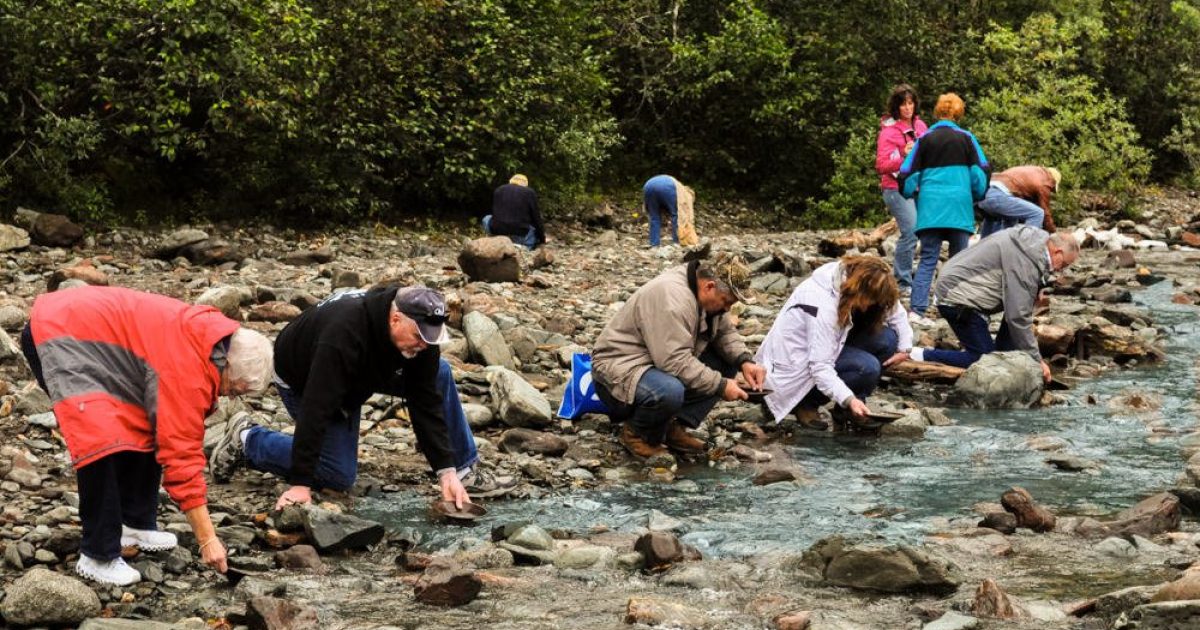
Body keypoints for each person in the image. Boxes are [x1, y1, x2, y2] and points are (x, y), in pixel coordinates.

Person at [20, 286, 275, 585]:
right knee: (100, 438)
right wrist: (207, 540)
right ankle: (97, 555)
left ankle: (134, 522)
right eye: (234, 388)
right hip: (60, 334)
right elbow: (180, 455)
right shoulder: (187, 370)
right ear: (228, 364)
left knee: (144, 422)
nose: (228, 395)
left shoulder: (213, 337)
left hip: (94, 334)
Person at [208, 286, 514, 512]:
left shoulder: (422, 333)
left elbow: (425, 401)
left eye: (429, 339)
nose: (424, 344)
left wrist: (445, 471)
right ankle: (248, 439)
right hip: (304, 377)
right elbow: (316, 407)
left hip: (365, 369)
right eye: (418, 337)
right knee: (337, 474)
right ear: (395, 319)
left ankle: (463, 471)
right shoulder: (343, 335)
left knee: (438, 373)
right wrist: (300, 484)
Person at [591, 253, 766, 459]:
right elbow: (674, 362)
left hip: (655, 363)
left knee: (728, 362)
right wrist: (721, 385)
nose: (728, 309)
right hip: (618, 371)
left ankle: (671, 427)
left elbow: (725, 333)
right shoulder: (672, 299)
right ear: (709, 286)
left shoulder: (705, 292)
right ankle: (637, 434)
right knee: (669, 391)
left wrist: (745, 361)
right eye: (726, 302)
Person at [756, 257, 913, 429]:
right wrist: (849, 399)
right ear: (858, 290)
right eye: (870, 300)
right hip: (794, 368)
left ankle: (849, 409)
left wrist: (905, 348)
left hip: (827, 347)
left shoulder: (850, 278)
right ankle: (806, 403)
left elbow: (894, 310)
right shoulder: (822, 304)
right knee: (868, 367)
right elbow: (820, 366)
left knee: (888, 339)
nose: (869, 306)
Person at [907, 227, 1079, 379]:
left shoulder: (1034, 242)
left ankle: (1005, 356)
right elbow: (1018, 317)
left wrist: (1036, 288)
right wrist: (1037, 360)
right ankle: (918, 354)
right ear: (1057, 252)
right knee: (984, 360)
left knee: (1021, 308)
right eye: (1064, 264)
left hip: (959, 288)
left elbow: (1022, 297)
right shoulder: (1026, 260)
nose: (1061, 270)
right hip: (956, 298)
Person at [898, 93, 991, 326]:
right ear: (958, 114)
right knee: (959, 261)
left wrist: (910, 192)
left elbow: (907, 173)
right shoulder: (967, 138)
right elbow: (980, 172)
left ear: (938, 112)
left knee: (928, 259)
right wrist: (977, 195)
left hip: (930, 209)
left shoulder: (924, 139)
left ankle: (917, 311)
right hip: (959, 207)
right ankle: (955, 308)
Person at [875, 84, 929, 296]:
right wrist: (903, 155)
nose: (907, 108)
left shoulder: (921, 126)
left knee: (926, 231)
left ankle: (919, 276)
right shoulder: (888, 132)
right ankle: (902, 281)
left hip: (919, 185)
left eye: (910, 103)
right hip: (895, 187)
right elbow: (881, 165)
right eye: (903, 104)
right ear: (896, 107)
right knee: (911, 230)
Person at [977, 165, 1061, 238]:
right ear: (1053, 181)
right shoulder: (1045, 182)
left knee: (1009, 219)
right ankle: (1023, 246)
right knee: (1037, 213)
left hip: (983, 195)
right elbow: (1045, 212)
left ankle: (983, 249)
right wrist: (1053, 232)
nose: (1050, 191)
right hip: (998, 196)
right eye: (1052, 189)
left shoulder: (1030, 171)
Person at [482, 174, 545, 249]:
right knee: (534, 228)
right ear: (525, 184)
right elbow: (536, 219)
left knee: (487, 218)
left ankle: (494, 240)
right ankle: (524, 247)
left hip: (497, 231)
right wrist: (542, 239)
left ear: (511, 181)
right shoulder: (529, 192)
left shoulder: (499, 189)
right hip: (519, 234)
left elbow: (494, 212)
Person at [642, 174, 699, 248]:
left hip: (648, 185)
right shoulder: (684, 193)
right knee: (676, 215)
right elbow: (682, 215)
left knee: (654, 217)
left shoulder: (678, 185)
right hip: (667, 186)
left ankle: (654, 244)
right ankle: (677, 242)